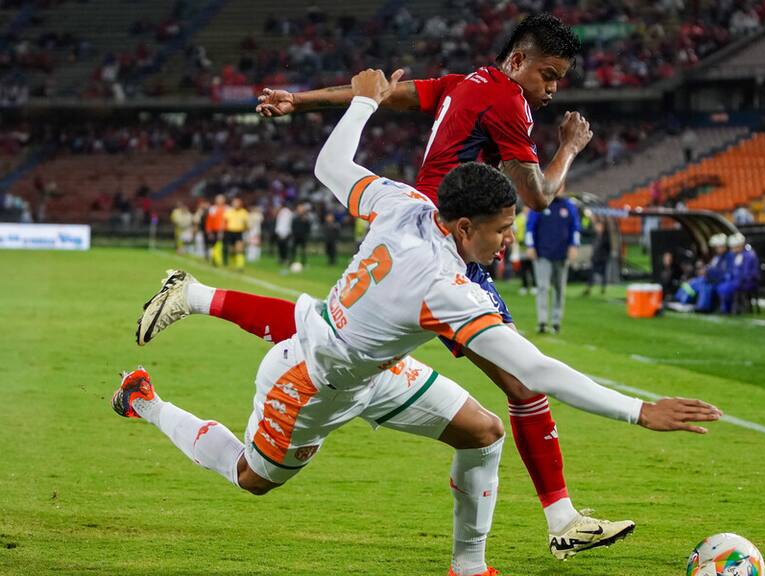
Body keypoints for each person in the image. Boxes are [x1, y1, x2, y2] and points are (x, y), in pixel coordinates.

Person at [122, 71, 721, 576]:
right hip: (308, 387)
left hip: (374, 368)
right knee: (252, 478)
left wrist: (363, 100)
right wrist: (640, 412)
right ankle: (145, 401)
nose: (509, 240)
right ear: (463, 228)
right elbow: (536, 369)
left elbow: (331, 163)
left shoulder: (404, 201)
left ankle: (469, 566)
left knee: (483, 432)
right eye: (500, 230)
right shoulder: (446, 288)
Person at [256, 15, 613, 558]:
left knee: (515, 385)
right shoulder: (509, 101)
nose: (551, 88)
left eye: (559, 78)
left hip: (415, 230)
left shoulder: (462, 83)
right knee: (523, 382)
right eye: (548, 74)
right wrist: (570, 148)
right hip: (444, 253)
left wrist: (299, 100)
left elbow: (383, 94)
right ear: (517, 62)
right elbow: (538, 195)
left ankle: (557, 519)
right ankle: (553, 523)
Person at [525, 193, 580, 334]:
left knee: (559, 288)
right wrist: (530, 246)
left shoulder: (569, 206)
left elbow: (575, 227)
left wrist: (574, 245)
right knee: (543, 287)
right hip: (542, 253)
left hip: (561, 254)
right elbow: (530, 226)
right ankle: (542, 321)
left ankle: (556, 322)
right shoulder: (540, 204)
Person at [717, 233, 760, 314]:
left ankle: (728, 309)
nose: (733, 250)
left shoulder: (748, 255)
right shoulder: (738, 255)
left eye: (734, 247)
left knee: (725, 288)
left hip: (748, 282)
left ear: (740, 245)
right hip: (738, 281)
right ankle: (727, 308)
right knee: (722, 286)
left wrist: (737, 281)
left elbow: (746, 273)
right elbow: (733, 270)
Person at [582, 219, 611, 296]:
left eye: (599, 226)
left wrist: (605, 257)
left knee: (603, 274)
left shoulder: (606, 237)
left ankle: (603, 288)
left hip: (602, 259)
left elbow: (608, 248)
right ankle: (588, 289)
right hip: (595, 258)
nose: (597, 228)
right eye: (596, 226)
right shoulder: (595, 235)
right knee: (591, 274)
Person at [223, 197, 249, 270]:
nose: (236, 204)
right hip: (230, 232)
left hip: (239, 232)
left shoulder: (244, 212)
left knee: (239, 249)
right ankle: (232, 264)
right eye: (234, 203)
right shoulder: (229, 212)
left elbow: (246, 224)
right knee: (231, 250)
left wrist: (246, 229)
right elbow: (225, 222)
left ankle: (240, 266)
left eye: (237, 203)